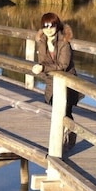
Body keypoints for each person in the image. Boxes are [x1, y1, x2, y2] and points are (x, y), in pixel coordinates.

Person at [31, 12, 81, 147]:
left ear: (57, 25)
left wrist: (42, 68)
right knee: (57, 110)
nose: (48, 29)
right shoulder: (42, 41)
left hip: (67, 83)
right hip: (52, 82)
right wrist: (42, 67)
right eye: (45, 26)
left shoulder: (64, 42)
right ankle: (61, 140)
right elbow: (42, 61)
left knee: (66, 111)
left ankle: (68, 139)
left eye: (51, 25)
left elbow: (63, 65)